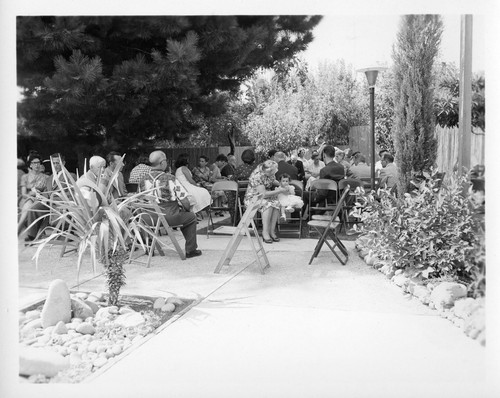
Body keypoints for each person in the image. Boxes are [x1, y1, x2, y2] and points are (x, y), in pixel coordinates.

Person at [141, 151, 201, 258]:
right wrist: (187, 209)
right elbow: (185, 201)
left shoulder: (143, 179)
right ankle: (191, 250)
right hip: (168, 217)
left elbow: (140, 199)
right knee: (190, 217)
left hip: (148, 218)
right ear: (163, 162)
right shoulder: (170, 178)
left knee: (184, 215)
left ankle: (149, 247)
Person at [24, 153, 76, 241]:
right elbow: (47, 191)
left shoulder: (70, 176)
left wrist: (52, 199)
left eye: (57, 163)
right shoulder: (50, 178)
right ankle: (32, 235)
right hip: (48, 203)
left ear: (63, 163)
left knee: (55, 208)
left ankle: (66, 232)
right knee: (33, 208)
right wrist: (41, 196)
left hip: (61, 204)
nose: (55, 165)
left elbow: (71, 194)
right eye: (53, 163)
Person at [244, 160, 288, 244]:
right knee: (268, 204)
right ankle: (265, 232)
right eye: (273, 172)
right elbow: (263, 194)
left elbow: (273, 180)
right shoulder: (257, 176)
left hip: (264, 196)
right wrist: (279, 191)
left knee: (277, 203)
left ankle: (272, 231)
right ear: (268, 171)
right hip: (253, 198)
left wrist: (283, 185)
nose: (274, 173)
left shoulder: (270, 173)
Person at [18, 154, 48, 236]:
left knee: (33, 205)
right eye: (34, 163)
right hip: (26, 199)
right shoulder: (25, 177)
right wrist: (31, 196)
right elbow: (24, 194)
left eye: (38, 163)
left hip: (39, 199)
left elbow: (46, 192)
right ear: (30, 165)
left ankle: (20, 230)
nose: (37, 165)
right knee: (29, 205)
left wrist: (36, 194)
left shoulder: (45, 177)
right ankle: (19, 229)